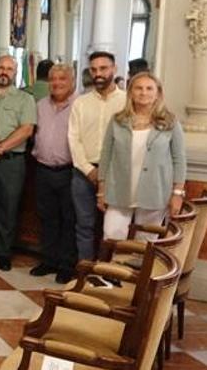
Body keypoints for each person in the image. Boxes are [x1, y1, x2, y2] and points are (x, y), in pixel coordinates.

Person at [97, 73, 186, 240]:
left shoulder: (170, 122)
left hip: (155, 193)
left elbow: (179, 160)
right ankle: (115, 267)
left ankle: (138, 267)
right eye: (138, 88)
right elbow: (106, 156)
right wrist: (101, 191)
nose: (143, 93)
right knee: (111, 236)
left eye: (149, 88)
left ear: (157, 93)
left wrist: (177, 193)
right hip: (118, 191)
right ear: (130, 92)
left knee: (145, 243)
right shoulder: (117, 121)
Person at [0, 55, 36, 271]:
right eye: (1, 68)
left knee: (8, 208)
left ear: (15, 72)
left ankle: (3, 252)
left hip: (11, 161)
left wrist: (0, 148)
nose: (4, 72)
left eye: (9, 69)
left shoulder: (24, 99)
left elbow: (26, 130)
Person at [67, 51, 126, 261]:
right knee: (84, 225)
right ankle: (85, 273)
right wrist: (89, 169)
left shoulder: (127, 102)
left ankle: (107, 274)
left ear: (114, 69)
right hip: (84, 173)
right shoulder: (81, 103)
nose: (98, 73)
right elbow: (74, 139)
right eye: (94, 69)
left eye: (103, 68)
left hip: (116, 174)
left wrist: (106, 173)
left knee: (113, 228)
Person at [31, 64, 78, 284]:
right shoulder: (41, 105)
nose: (57, 83)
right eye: (53, 79)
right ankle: (48, 260)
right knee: (47, 218)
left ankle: (66, 265)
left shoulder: (79, 105)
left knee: (69, 220)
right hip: (42, 169)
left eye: (62, 79)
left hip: (69, 171)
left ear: (72, 81)